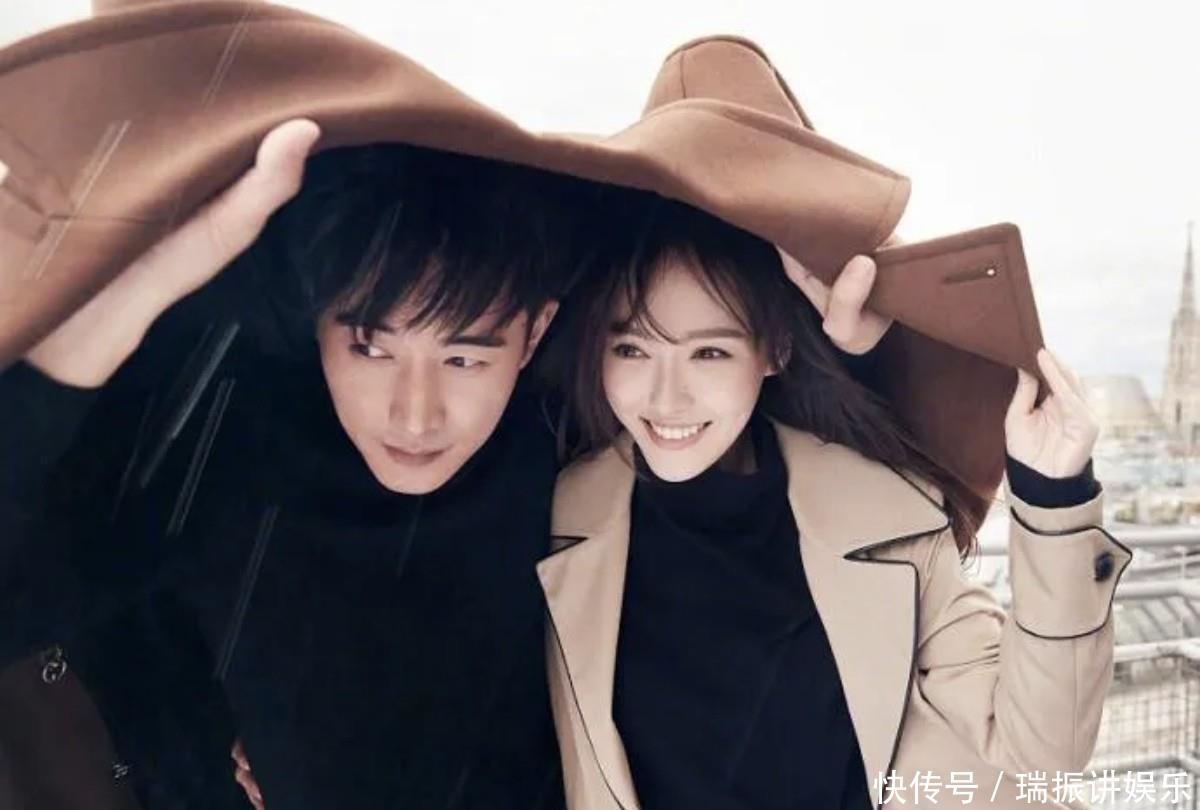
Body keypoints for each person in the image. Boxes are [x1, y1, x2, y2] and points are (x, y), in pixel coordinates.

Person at [1, 120, 578, 808]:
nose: (415, 416)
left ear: (535, 333)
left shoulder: (571, 441)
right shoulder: (235, 455)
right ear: (317, 318)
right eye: (371, 349)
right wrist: (150, 284)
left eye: (463, 359)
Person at [538, 191, 1127, 809]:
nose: (666, 397)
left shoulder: (887, 515)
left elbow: (1043, 750)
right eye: (631, 349)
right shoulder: (552, 518)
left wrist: (1054, 498)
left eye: (709, 352)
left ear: (774, 351)